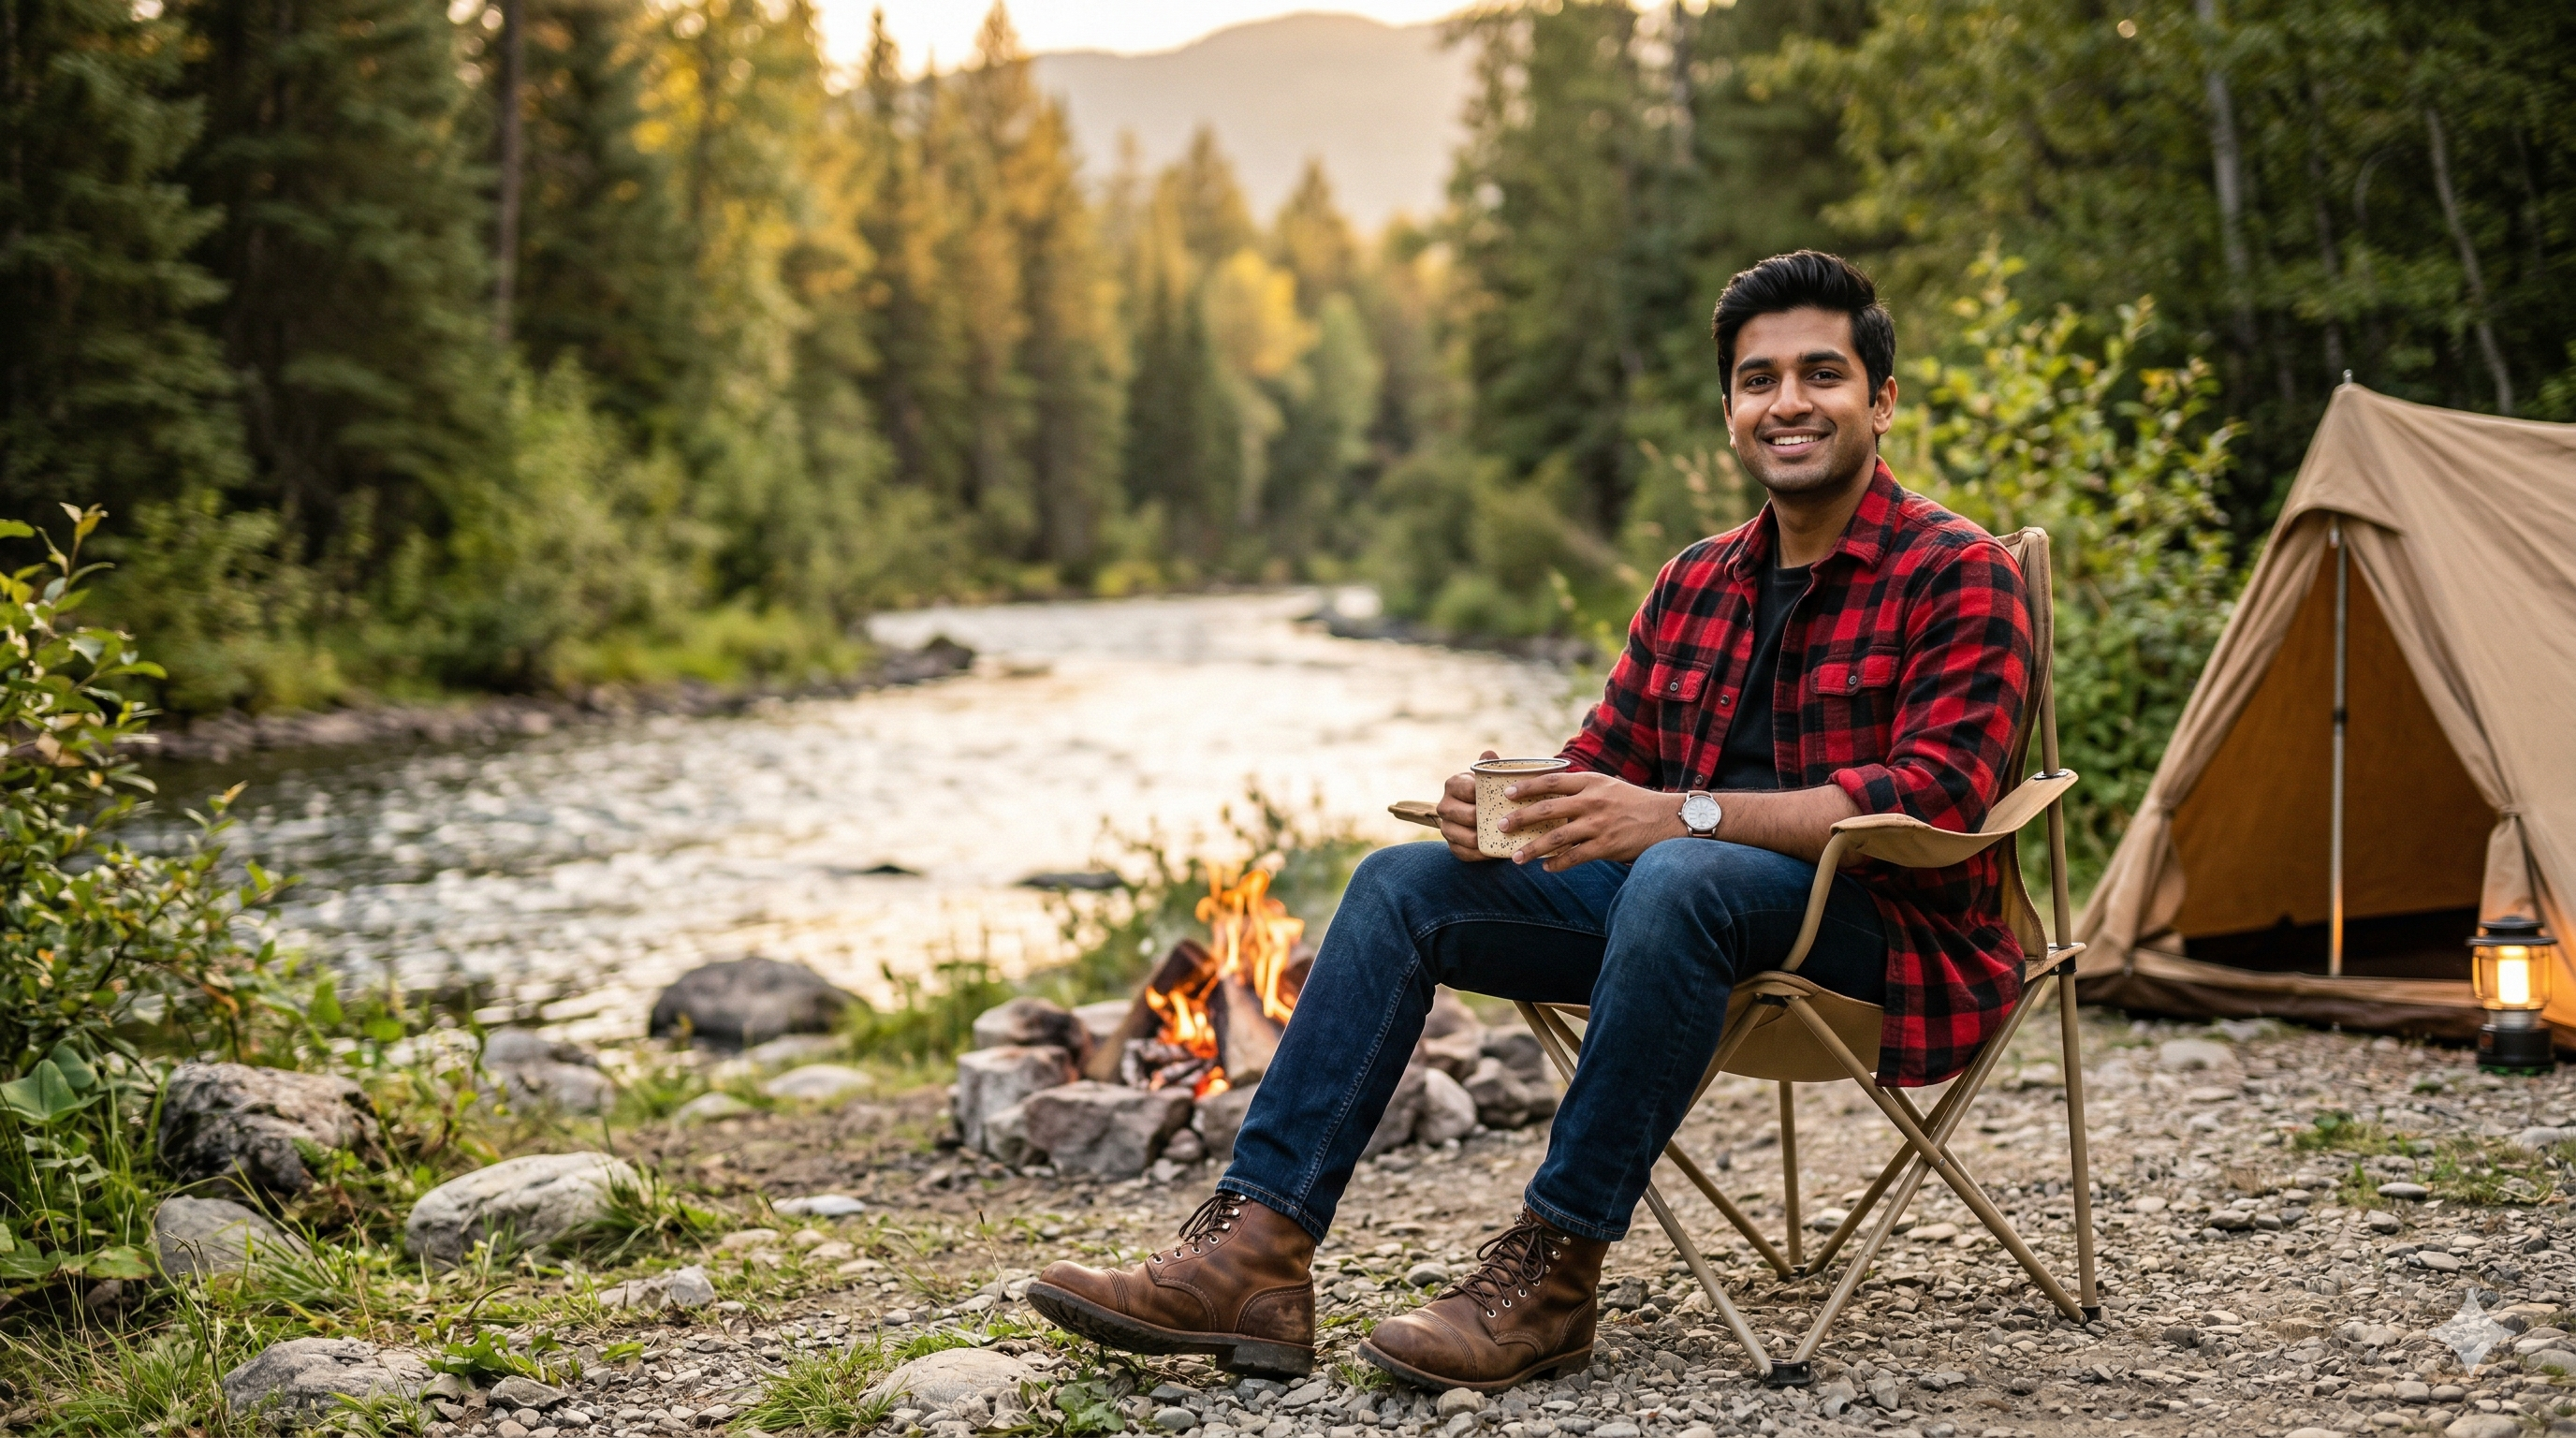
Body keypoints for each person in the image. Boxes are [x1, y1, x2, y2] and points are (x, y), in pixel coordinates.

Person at [1026, 251, 2035, 1394]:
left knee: (1677, 873)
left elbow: (1939, 795)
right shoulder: (1695, 581)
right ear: (1730, 410)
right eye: (1758, 381)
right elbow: (1605, 770)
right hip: (1680, 923)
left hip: (1880, 934)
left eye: (1821, 375)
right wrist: (1503, 815)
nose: (1787, 403)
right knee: (1401, 883)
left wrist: (1676, 815)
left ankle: (1553, 1275)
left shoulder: (1957, 571)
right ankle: (1253, 1258)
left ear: (1879, 399)